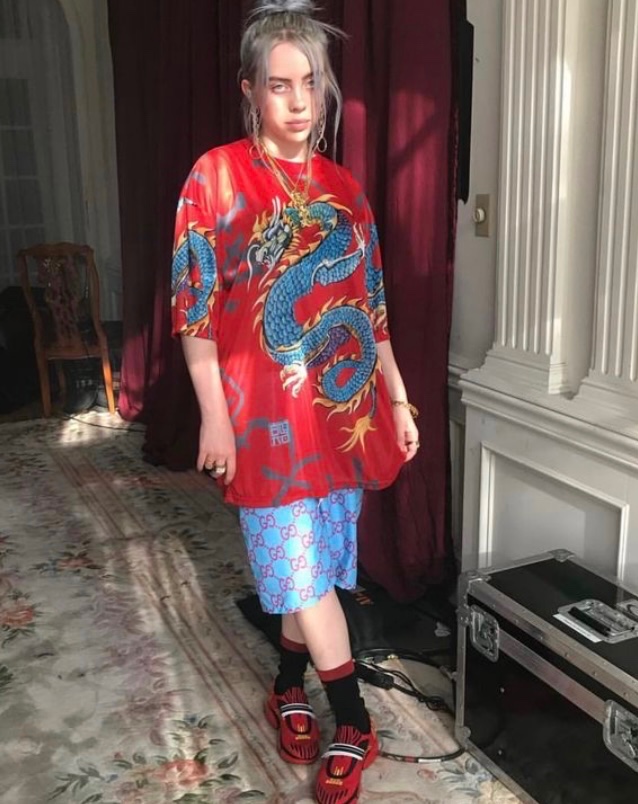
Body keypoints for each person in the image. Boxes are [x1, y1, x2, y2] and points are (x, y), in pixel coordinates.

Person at [171, 1, 419, 801]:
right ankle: (355, 718)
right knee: (298, 570)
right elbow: (195, 310)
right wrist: (214, 415)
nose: (299, 100)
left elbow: (371, 310)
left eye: (310, 82)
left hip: (341, 413)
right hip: (261, 420)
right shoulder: (214, 177)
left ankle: (286, 684)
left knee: (309, 569)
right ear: (250, 90)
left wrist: (400, 401)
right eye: (279, 84)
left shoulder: (344, 191)